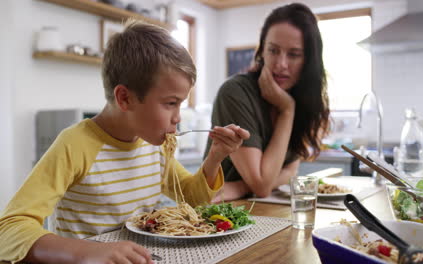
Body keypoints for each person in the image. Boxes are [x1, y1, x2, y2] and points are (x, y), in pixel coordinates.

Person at [0, 20, 249, 264]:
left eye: (180, 104)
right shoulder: (75, 145)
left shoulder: (156, 146)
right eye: (170, 103)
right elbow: (9, 229)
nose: (178, 117)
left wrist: (215, 156)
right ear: (125, 98)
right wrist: (85, 252)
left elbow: (193, 199)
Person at [204, 3, 329, 202]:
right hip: (221, 216)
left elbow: (291, 170)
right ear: (262, 50)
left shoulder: (300, 98)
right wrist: (287, 111)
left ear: (309, 61)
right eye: (273, 50)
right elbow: (262, 185)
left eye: (294, 54)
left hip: (263, 211)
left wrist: (240, 187)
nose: (281, 64)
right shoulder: (235, 93)